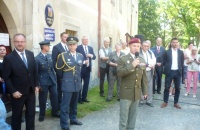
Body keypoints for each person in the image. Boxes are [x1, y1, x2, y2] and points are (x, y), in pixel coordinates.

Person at [2, 33, 39, 130]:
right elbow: (6, 77)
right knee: (17, 117)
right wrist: (13, 91)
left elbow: (34, 71)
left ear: (25, 42)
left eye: (22, 41)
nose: (20, 43)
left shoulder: (30, 54)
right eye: (17, 41)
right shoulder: (9, 58)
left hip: (30, 91)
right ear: (13, 42)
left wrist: (36, 85)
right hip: (17, 93)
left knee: (31, 115)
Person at [117, 38, 148, 130]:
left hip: (136, 93)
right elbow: (119, 73)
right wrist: (132, 65)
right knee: (124, 118)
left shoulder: (142, 60)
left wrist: (145, 91)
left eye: (138, 46)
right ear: (129, 46)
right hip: (126, 93)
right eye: (134, 46)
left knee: (132, 118)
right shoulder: (123, 59)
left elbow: (144, 77)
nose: (136, 48)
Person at [56, 36, 83, 130]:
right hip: (67, 84)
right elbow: (59, 71)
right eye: (70, 45)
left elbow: (79, 70)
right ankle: (64, 124)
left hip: (77, 84)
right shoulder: (62, 56)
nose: (71, 46)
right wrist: (65, 80)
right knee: (65, 105)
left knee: (74, 104)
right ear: (67, 45)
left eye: (73, 45)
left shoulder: (80, 56)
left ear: (76, 45)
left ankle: (73, 119)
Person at [35, 41, 60, 122]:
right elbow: (36, 73)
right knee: (43, 99)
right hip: (43, 82)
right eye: (48, 46)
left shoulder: (49, 56)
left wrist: (55, 78)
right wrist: (38, 84)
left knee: (55, 96)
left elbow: (52, 68)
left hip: (51, 80)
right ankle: (42, 114)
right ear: (44, 47)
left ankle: (55, 112)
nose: (49, 47)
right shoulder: (37, 58)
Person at [161, 38, 184, 109]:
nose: (175, 43)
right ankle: (165, 101)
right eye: (174, 42)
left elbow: (182, 62)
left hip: (177, 72)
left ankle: (176, 102)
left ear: (178, 43)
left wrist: (180, 71)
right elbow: (164, 61)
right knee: (167, 87)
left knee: (177, 88)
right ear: (171, 43)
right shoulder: (167, 52)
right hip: (169, 72)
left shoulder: (180, 52)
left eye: (176, 42)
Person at [76, 36, 96, 104]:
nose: (86, 41)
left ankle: (84, 97)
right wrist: (84, 61)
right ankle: (79, 98)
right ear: (82, 40)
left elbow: (94, 57)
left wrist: (91, 56)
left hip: (88, 69)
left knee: (86, 84)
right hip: (81, 69)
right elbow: (76, 57)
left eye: (87, 39)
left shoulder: (90, 48)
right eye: (84, 40)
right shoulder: (78, 48)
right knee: (79, 84)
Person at [52, 32, 69, 110]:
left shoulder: (68, 47)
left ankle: (66, 104)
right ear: (61, 37)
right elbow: (54, 60)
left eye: (67, 37)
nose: (66, 38)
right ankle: (59, 105)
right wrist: (57, 72)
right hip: (60, 72)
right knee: (60, 89)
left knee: (67, 89)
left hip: (68, 71)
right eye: (64, 37)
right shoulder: (56, 47)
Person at [139, 41, 156, 107]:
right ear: (142, 46)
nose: (146, 47)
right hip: (142, 71)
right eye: (145, 46)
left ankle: (149, 101)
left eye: (147, 46)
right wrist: (147, 64)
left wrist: (152, 64)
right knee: (141, 86)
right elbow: (140, 62)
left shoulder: (150, 52)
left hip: (149, 71)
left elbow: (154, 60)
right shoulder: (139, 53)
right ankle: (141, 100)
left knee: (149, 86)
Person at [0, 45, 11, 130]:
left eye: (4, 49)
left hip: (9, 83)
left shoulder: (8, 60)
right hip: (0, 84)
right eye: (0, 50)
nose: (2, 51)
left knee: (11, 98)